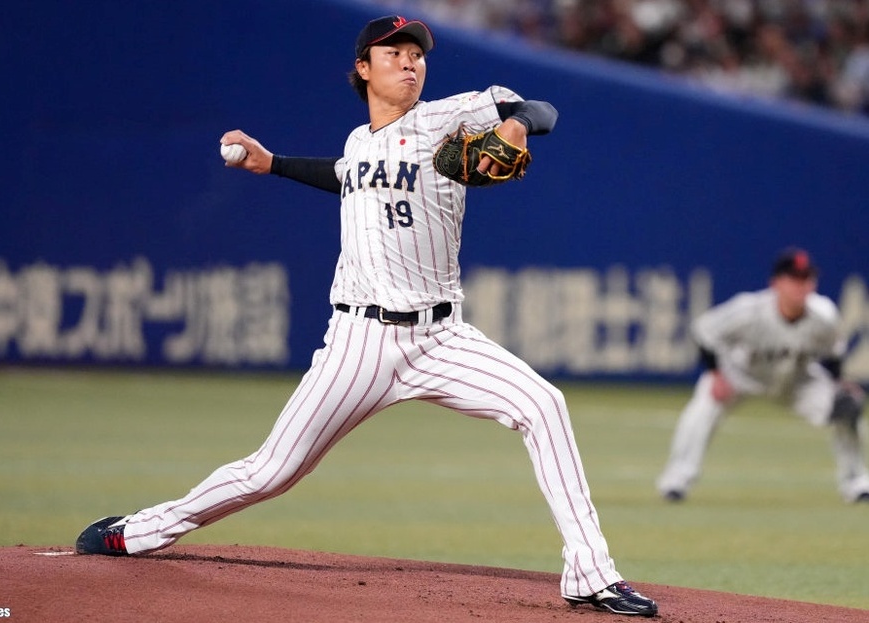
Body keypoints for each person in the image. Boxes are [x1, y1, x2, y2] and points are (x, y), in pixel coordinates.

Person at [75, 15, 659, 618]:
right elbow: (347, 175)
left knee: (544, 405)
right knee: (270, 472)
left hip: (441, 336)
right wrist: (272, 163)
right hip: (359, 340)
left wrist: (513, 123)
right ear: (363, 68)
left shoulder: (445, 118)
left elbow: (540, 108)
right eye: (395, 53)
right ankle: (140, 531)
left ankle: (591, 574)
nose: (411, 63)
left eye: (418, 54)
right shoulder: (359, 143)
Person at [657, 247, 869, 504]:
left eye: (807, 278)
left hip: (795, 380)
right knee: (702, 409)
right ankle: (676, 480)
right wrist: (716, 373)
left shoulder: (823, 315)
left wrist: (837, 383)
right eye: (794, 278)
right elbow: (703, 330)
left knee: (845, 406)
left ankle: (856, 481)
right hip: (739, 375)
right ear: (776, 283)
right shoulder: (749, 310)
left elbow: (834, 350)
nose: (801, 285)